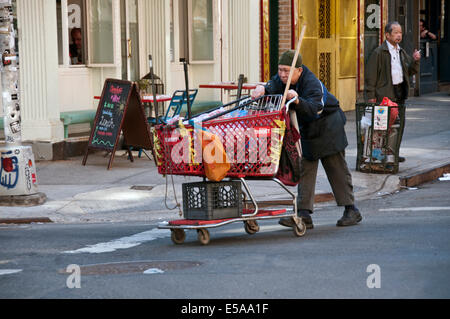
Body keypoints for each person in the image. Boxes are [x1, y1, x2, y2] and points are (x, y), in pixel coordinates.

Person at [251, 50, 362, 229]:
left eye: (287, 71)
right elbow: (272, 85)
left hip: (328, 125)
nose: (282, 74)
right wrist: (263, 88)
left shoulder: (312, 83)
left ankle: (351, 209)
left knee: (336, 167)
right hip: (307, 129)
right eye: (280, 70)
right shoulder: (282, 80)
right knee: (305, 167)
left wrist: (297, 101)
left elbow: (315, 109)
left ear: (299, 71)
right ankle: (304, 214)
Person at [365, 21, 421, 162]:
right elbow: (370, 76)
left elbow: (410, 71)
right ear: (387, 35)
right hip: (385, 95)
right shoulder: (379, 52)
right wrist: (371, 96)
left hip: (400, 93)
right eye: (395, 33)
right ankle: (380, 154)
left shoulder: (400, 52)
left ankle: (393, 153)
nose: (399, 35)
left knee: (399, 125)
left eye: (400, 32)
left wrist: (415, 61)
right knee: (382, 126)